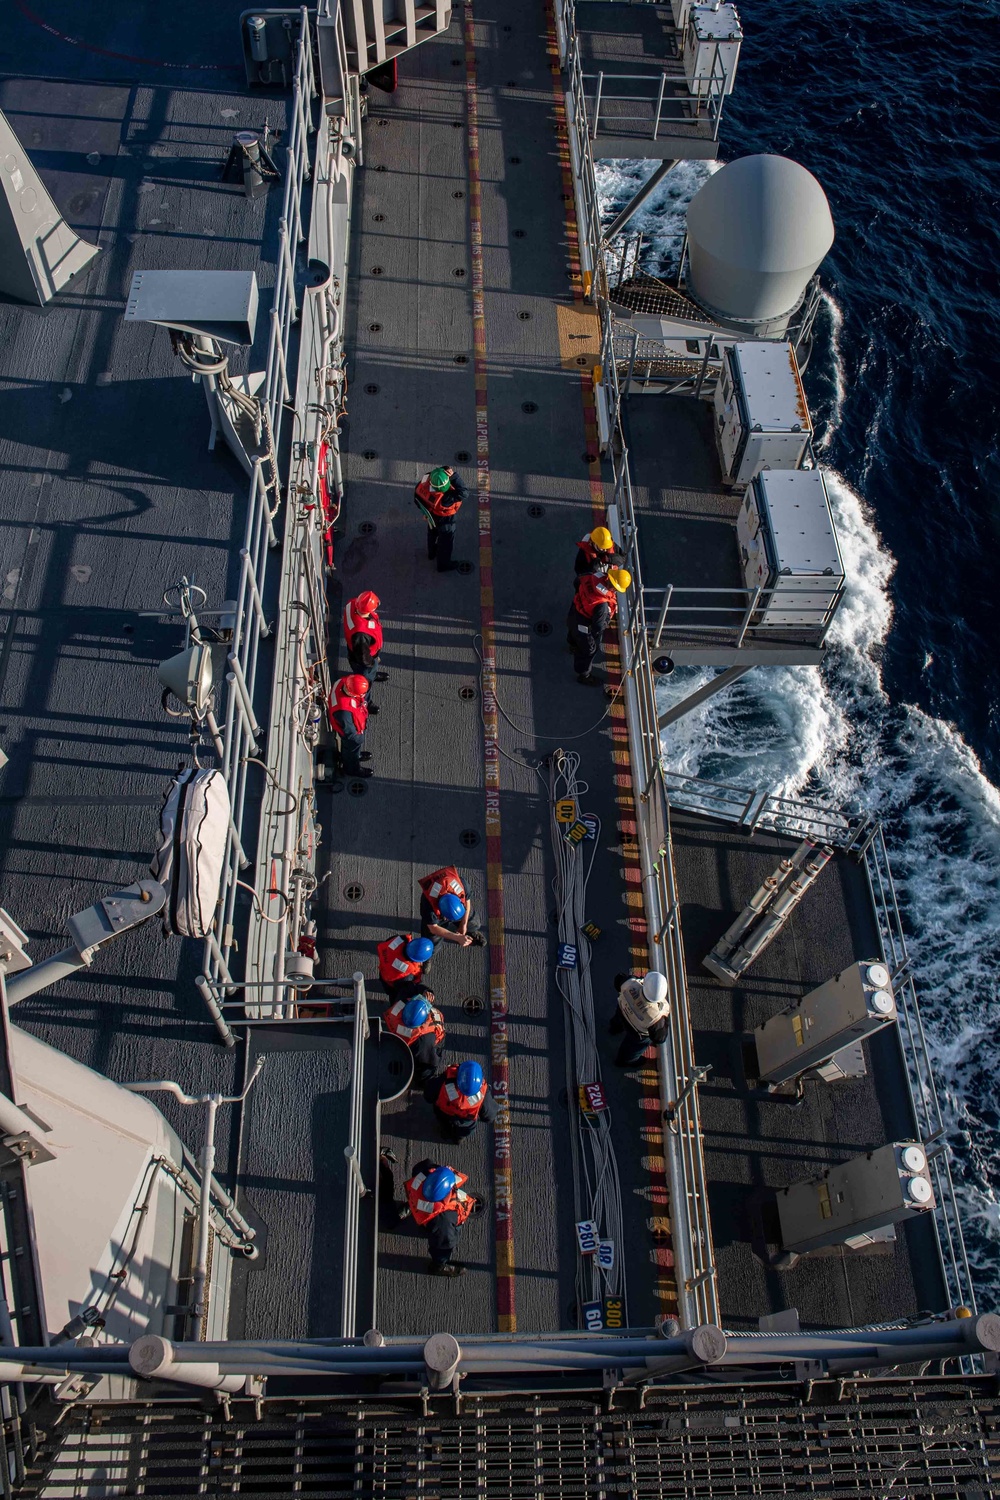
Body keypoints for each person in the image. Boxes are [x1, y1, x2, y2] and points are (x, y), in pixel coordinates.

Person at [404, 1160, 481, 1276]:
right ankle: (439, 1266)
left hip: (420, 1211)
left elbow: (426, 1166)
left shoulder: (422, 1173)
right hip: (435, 1225)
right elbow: (447, 1241)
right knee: (443, 1245)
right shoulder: (444, 1219)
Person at [566, 566, 631, 686]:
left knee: (572, 631)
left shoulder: (595, 575)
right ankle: (584, 675)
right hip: (584, 625)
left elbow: (577, 582)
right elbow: (598, 627)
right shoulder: (602, 605)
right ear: (614, 587)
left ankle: (571, 645)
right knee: (589, 650)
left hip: (575, 611)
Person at [418, 866, 485, 958]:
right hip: (437, 918)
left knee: (474, 923)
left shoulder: (461, 884)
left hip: (452, 909)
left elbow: (467, 902)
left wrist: (464, 924)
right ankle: (427, 958)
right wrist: (457, 937)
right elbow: (433, 927)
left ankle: (470, 930)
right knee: (431, 945)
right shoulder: (428, 904)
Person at [383, 987, 445, 1085]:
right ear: (423, 1020)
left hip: (395, 1047)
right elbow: (433, 1059)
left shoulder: (399, 1006)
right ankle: (421, 1082)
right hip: (418, 1055)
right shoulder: (426, 1039)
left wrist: (423, 994)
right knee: (425, 1071)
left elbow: (408, 988)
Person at [609, 970, 671, 1067]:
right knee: (633, 1048)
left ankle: (614, 1028)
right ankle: (626, 1061)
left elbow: (618, 980)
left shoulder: (629, 983)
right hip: (636, 1032)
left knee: (618, 1021)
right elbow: (659, 1038)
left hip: (623, 1011)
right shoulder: (655, 1018)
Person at [425, 1059, 498, 1142]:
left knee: (444, 1126)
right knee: (463, 1132)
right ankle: (458, 1139)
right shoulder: (482, 1095)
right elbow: (490, 1116)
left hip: (443, 1114)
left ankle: (445, 1134)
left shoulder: (445, 1081)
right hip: (465, 1123)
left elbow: (428, 1095)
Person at [414, 465, 467, 573]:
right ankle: (443, 565)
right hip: (446, 520)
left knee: (432, 533)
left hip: (431, 516)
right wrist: (454, 476)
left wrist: (425, 512)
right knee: (446, 543)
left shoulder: (422, 484)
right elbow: (464, 493)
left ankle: (431, 553)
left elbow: (417, 499)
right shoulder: (447, 498)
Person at [327, 673, 374, 777]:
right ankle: (351, 768)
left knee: (351, 749)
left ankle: (354, 755)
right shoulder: (343, 713)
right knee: (351, 749)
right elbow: (350, 734)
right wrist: (359, 739)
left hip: (349, 725)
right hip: (350, 734)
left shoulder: (341, 682)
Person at [343, 590, 388, 689]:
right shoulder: (361, 633)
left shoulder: (352, 604)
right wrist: (371, 663)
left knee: (367, 673)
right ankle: (366, 698)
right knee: (363, 683)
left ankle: (372, 674)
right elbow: (363, 656)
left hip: (357, 650)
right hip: (363, 660)